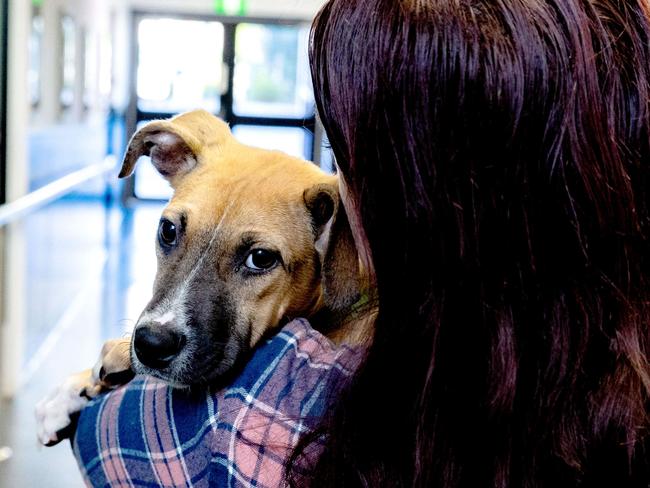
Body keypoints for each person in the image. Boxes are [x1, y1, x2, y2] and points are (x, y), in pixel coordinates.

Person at [74, 0, 650, 486]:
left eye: (353, 161)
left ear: (423, 205)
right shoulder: (618, 386)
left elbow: (98, 434)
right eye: (172, 232)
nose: (346, 193)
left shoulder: (271, 412)